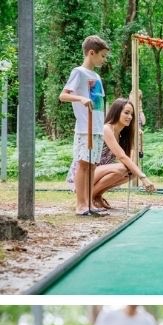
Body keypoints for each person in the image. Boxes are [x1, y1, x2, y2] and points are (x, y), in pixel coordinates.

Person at [59, 35, 109, 217]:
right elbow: (63, 95)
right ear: (91, 53)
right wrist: (80, 98)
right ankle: (80, 204)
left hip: (97, 127)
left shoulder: (96, 76)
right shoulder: (78, 72)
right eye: (102, 56)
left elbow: (99, 104)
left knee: (93, 165)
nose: (104, 60)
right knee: (83, 164)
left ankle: (89, 203)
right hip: (83, 128)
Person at [89, 98, 157, 206]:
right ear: (116, 112)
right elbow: (122, 157)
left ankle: (97, 195)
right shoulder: (107, 129)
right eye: (126, 113)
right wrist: (143, 178)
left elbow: (129, 160)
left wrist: (136, 143)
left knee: (131, 173)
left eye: (131, 114)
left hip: (98, 173)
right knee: (122, 168)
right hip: (87, 173)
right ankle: (88, 198)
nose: (130, 117)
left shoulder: (122, 134)